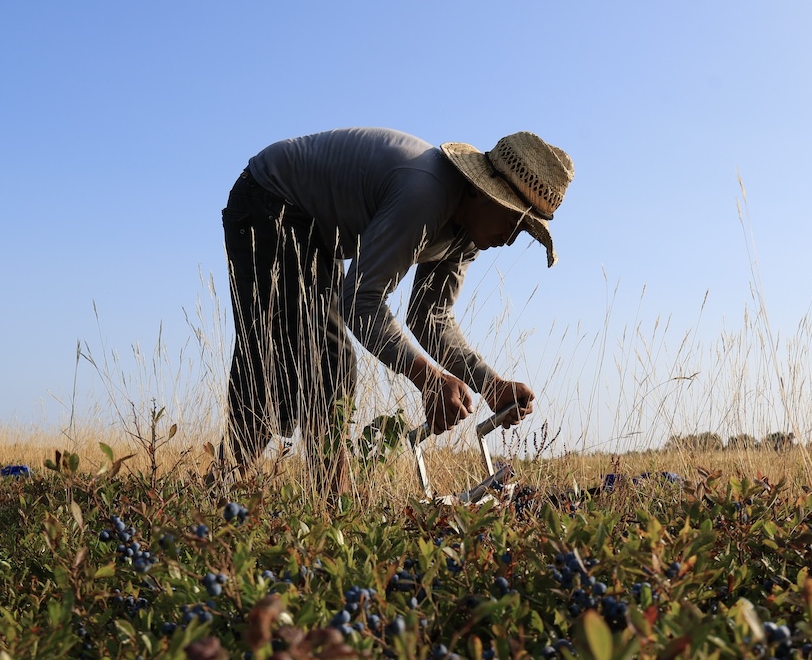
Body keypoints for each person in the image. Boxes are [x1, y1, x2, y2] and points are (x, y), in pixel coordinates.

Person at [218, 127, 574, 495]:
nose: (513, 237)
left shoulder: (470, 233)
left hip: (314, 231)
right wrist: (429, 379)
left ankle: (271, 495)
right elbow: (360, 301)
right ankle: (283, 498)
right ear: (481, 189)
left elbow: (430, 317)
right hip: (268, 200)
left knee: (314, 358)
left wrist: (491, 384)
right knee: (303, 359)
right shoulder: (425, 194)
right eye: (513, 217)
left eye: (525, 228)